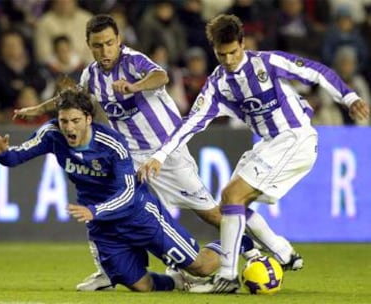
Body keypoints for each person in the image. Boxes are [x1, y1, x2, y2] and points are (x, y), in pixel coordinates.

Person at [11, 14, 296, 292]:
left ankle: (250, 247)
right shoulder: (92, 75)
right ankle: (107, 271)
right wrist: (37, 110)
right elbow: (71, 98)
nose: (105, 50)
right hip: (130, 158)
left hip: (166, 153)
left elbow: (161, 75)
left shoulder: (133, 61)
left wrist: (134, 86)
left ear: (119, 40)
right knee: (105, 201)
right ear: (89, 45)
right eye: (98, 45)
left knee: (210, 214)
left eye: (110, 43)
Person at [138, 14, 370, 293]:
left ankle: (227, 276)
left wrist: (349, 97)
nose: (229, 60)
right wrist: (160, 155)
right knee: (230, 205)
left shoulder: (267, 63)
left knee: (233, 195)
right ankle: (283, 253)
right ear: (215, 50)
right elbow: (189, 123)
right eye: (222, 54)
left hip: (294, 137)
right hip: (269, 143)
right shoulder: (217, 85)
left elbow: (316, 71)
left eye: (234, 52)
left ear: (243, 44)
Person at [0, 89, 231, 292]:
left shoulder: (112, 144)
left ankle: (237, 241)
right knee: (140, 286)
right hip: (104, 226)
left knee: (202, 267)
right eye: (64, 120)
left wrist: (95, 210)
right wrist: (4, 154)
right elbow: (17, 156)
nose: (69, 128)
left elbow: (126, 193)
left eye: (76, 121)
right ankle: (175, 281)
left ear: (89, 119)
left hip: (138, 214)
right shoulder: (51, 134)